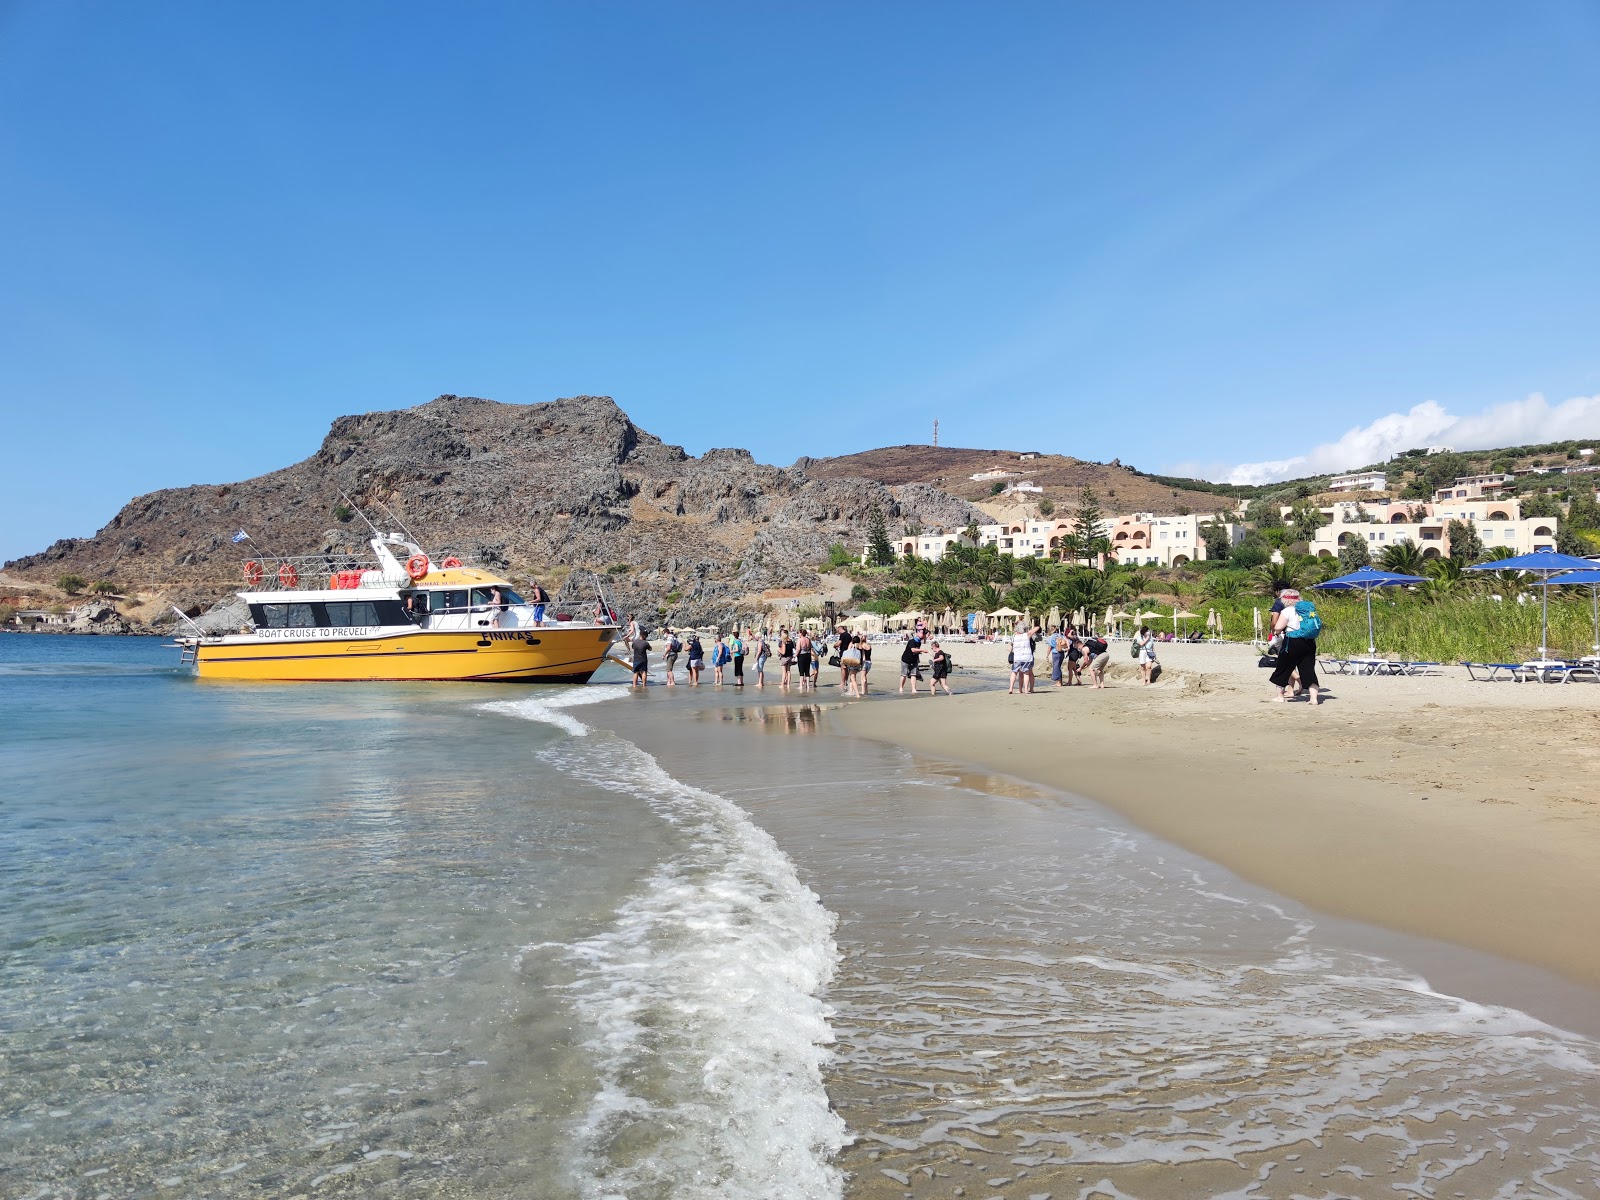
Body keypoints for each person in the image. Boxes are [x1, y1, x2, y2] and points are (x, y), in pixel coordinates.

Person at [1270, 589, 1322, 704]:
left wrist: (1276, 633)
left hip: (1292, 642)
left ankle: (1280, 697)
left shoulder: (1287, 611)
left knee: (1284, 668)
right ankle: (1313, 699)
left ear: (1284, 599)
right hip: (1309, 642)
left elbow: (1278, 627)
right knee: (1308, 669)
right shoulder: (1307, 610)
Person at [1008, 623, 1035, 694]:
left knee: (1014, 672)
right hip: (1027, 657)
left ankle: (1011, 688)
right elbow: (1036, 636)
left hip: (1017, 657)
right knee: (1026, 673)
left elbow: (1010, 647)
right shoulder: (1027, 635)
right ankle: (1026, 689)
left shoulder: (1014, 636)